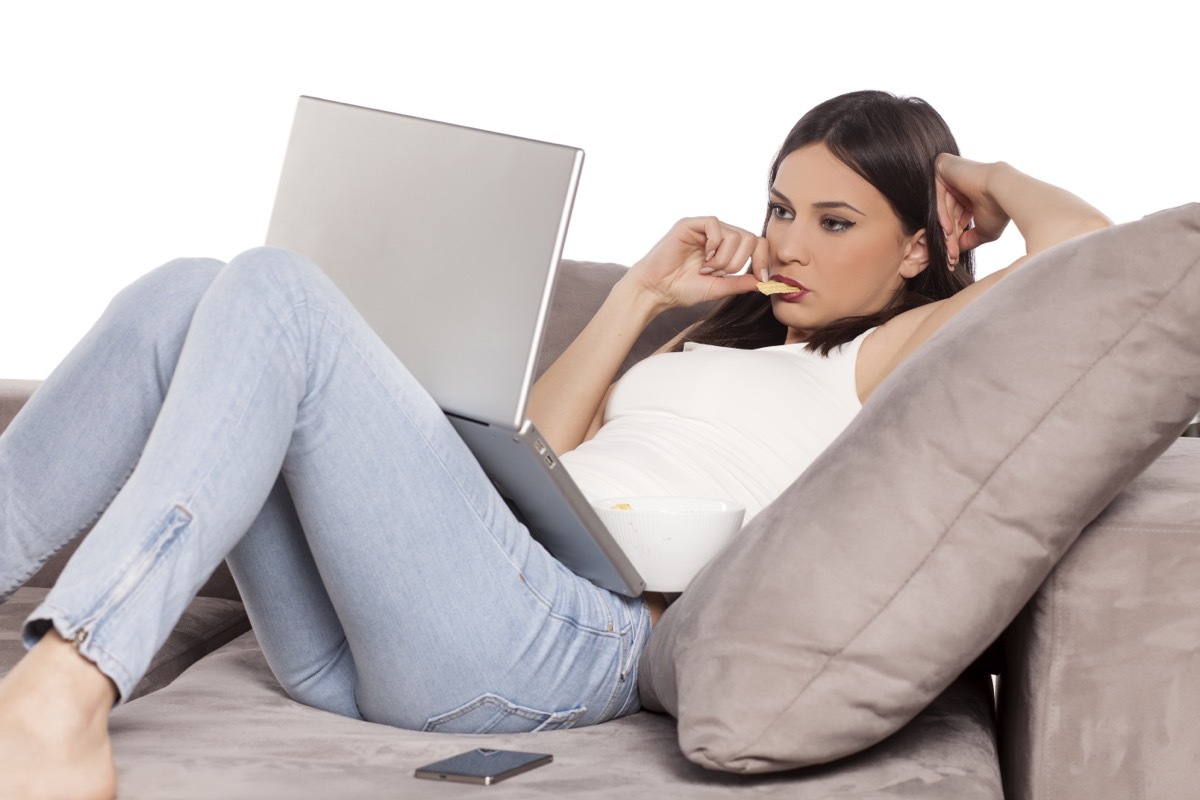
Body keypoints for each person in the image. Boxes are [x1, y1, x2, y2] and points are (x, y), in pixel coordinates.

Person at [0, 90, 1109, 799]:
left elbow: (1096, 256)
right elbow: (530, 446)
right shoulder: (700, 341)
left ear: (918, 248)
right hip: (399, 631)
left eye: (835, 220)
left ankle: (64, 688)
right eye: (780, 208)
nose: (790, 242)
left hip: (555, 652)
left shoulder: (892, 355)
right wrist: (637, 296)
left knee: (279, 287)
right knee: (189, 288)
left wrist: (987, 180)